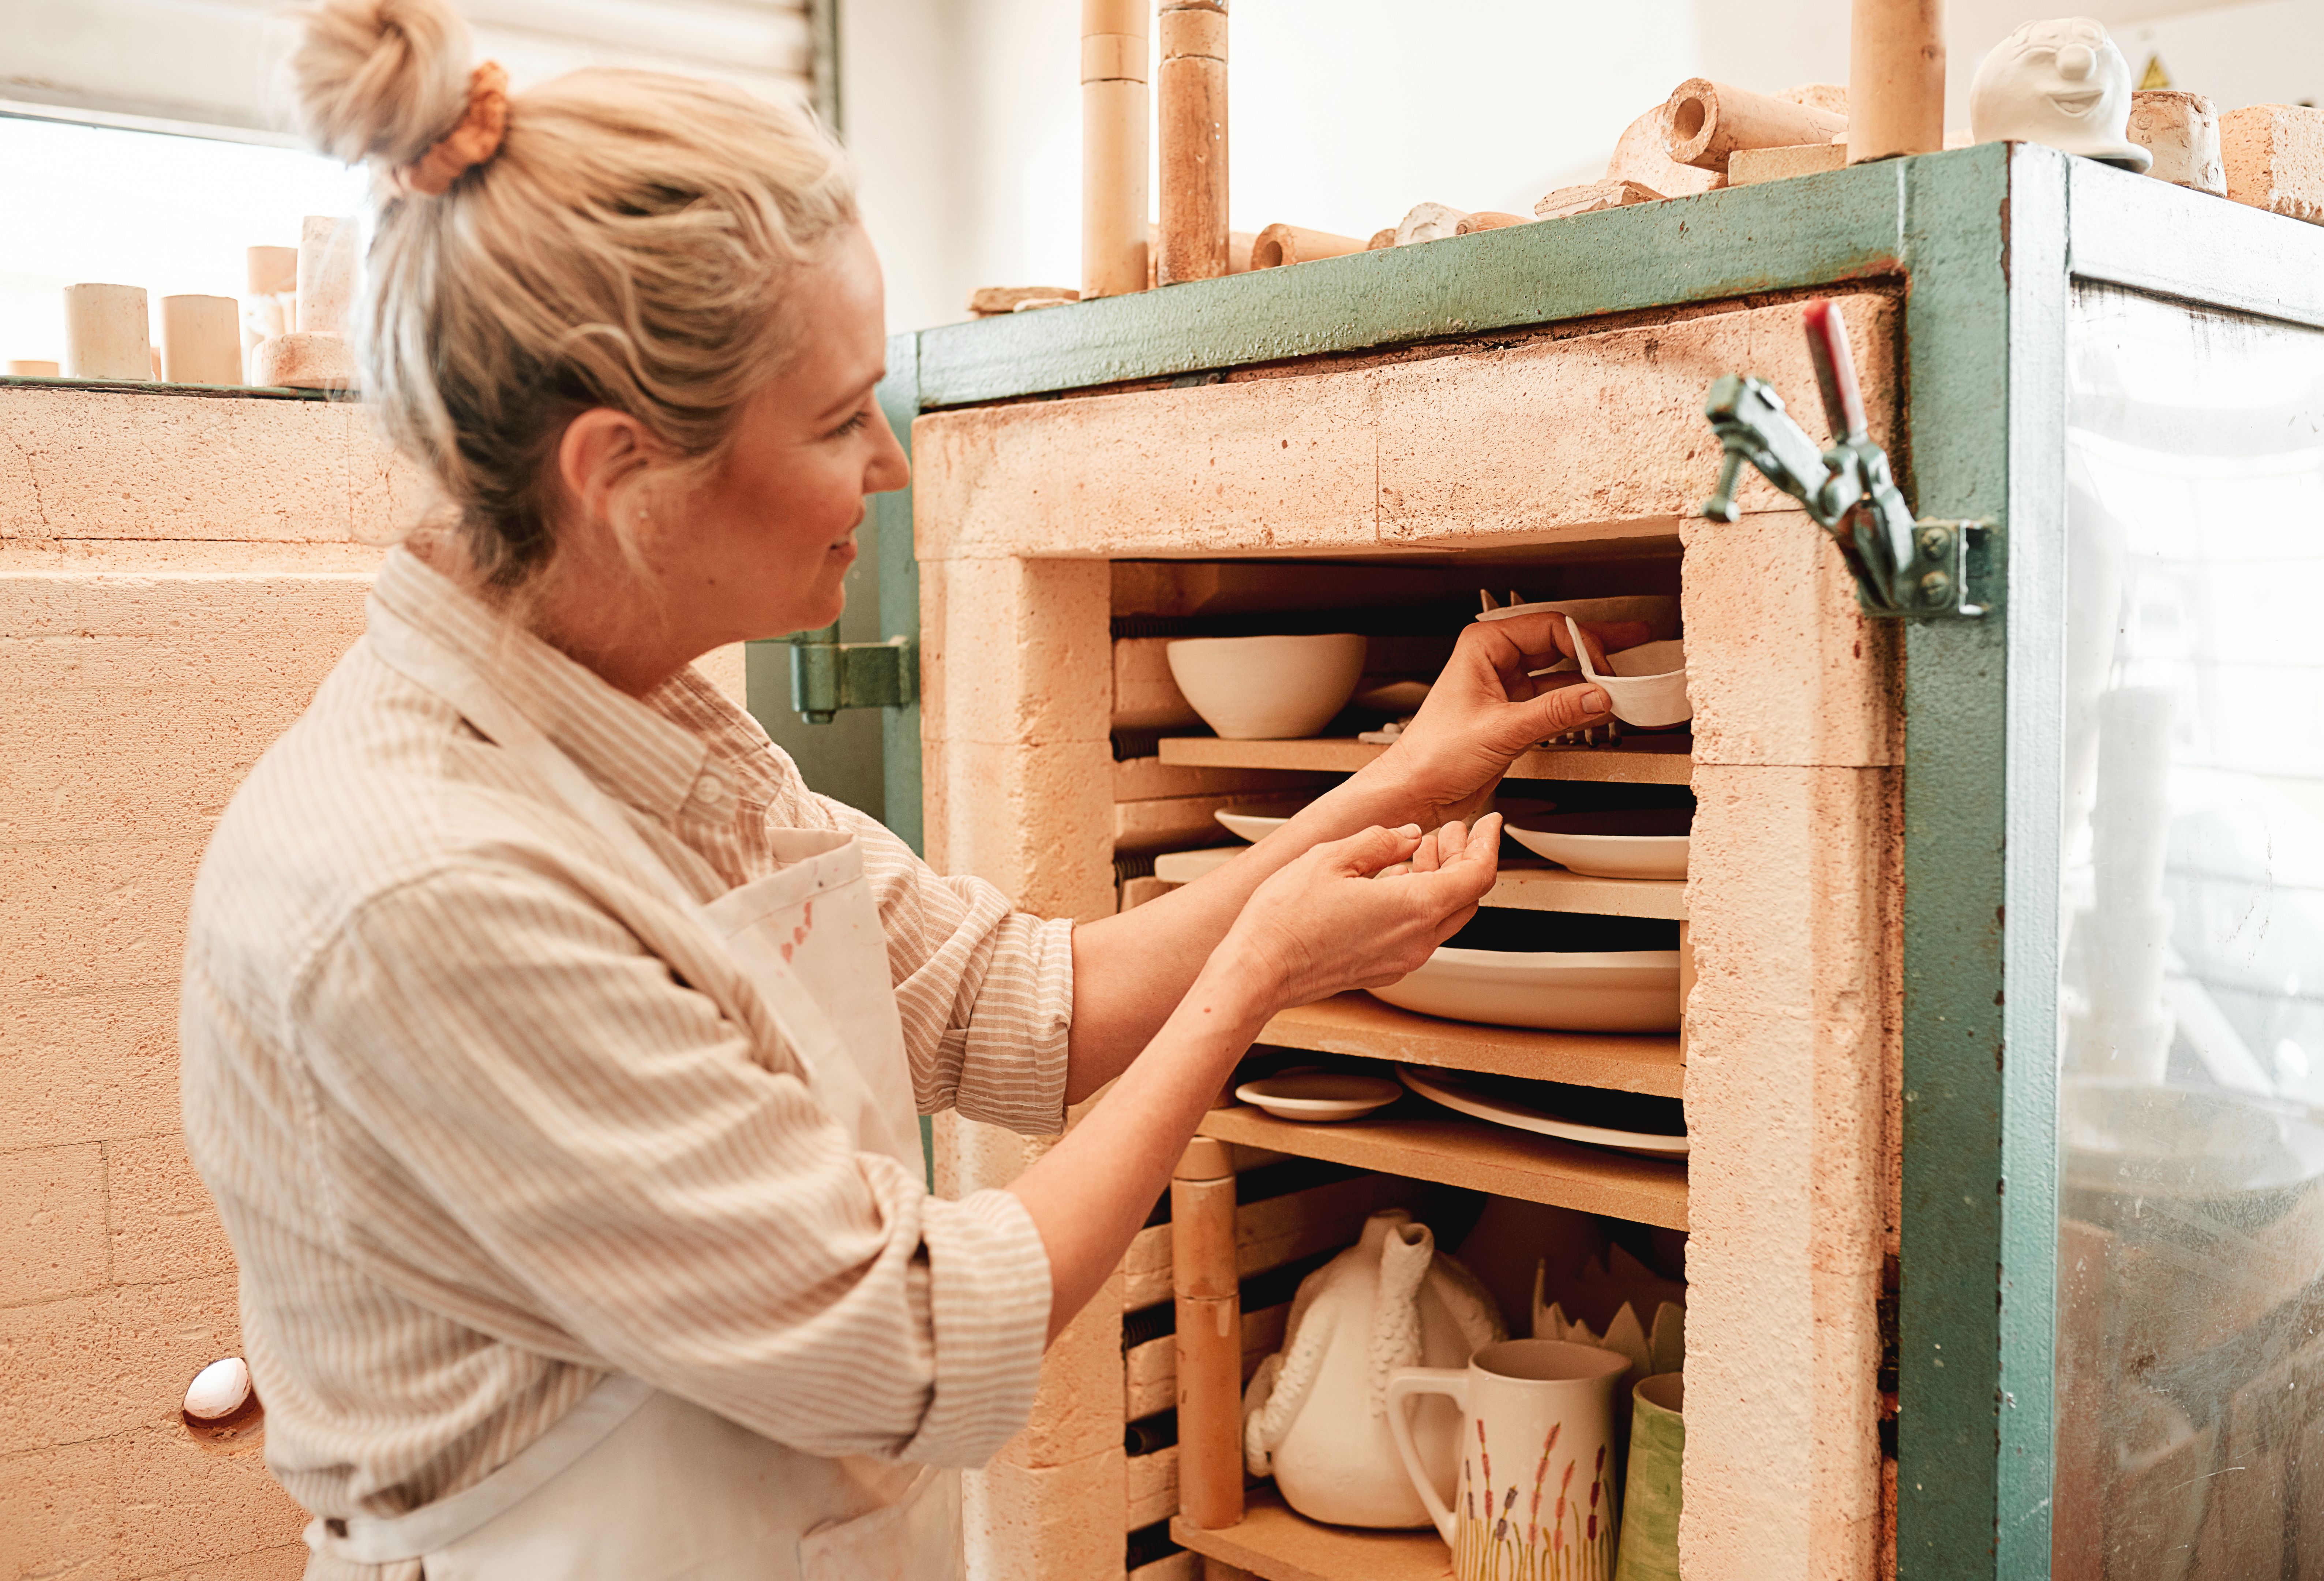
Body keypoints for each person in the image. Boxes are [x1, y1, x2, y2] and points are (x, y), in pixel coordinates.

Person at [178, 2, 1638, 1576]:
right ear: (618, 477)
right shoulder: (436, 886)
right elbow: (916, 1341)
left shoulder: (642, 723)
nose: (887, 464)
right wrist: (1255, 980)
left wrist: (1403, 770)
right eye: (831, 419)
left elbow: (1009, 1003)